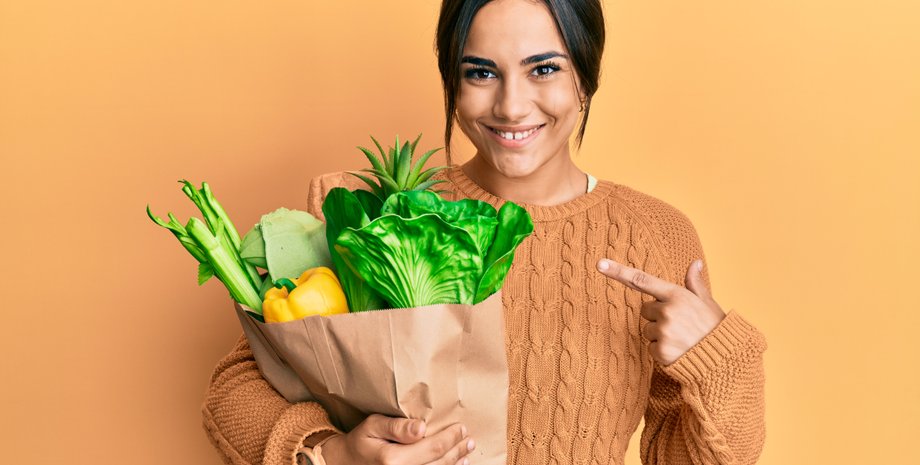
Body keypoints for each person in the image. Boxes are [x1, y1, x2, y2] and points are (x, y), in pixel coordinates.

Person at [201, 0, 768, 464]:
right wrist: (332, 454)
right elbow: (237, 387)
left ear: (585, 78)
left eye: (544, 68)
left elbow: (686, 458)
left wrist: (717, 353)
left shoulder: (657, 236)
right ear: (452, 78)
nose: (511, 105)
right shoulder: (379, 213)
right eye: (481, 72)